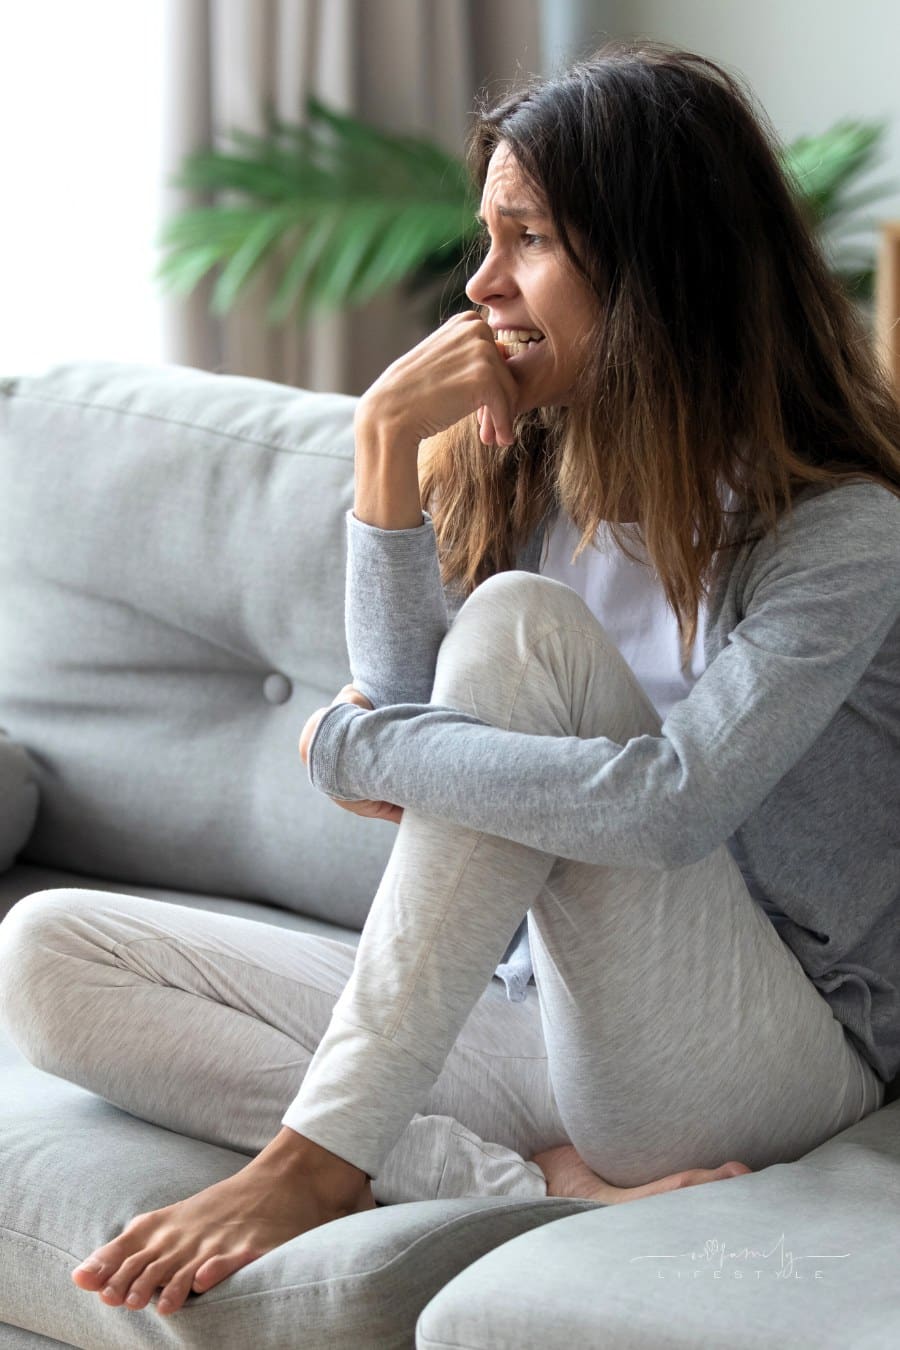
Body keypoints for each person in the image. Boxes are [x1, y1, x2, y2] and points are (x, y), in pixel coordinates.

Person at [1, 39, 898, 1322]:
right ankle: (531, 1185)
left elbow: (665, 805)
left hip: (767, 1053)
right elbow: (423, 754)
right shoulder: (531, 478)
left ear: (654, 262)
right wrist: (382, 452)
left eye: (525, 238)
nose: (481, 286)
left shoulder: (841, 533)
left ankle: (318, 1164)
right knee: (46, 949)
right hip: (535, 1019)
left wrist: (357, 749)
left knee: (521, 632)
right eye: (488, 238)